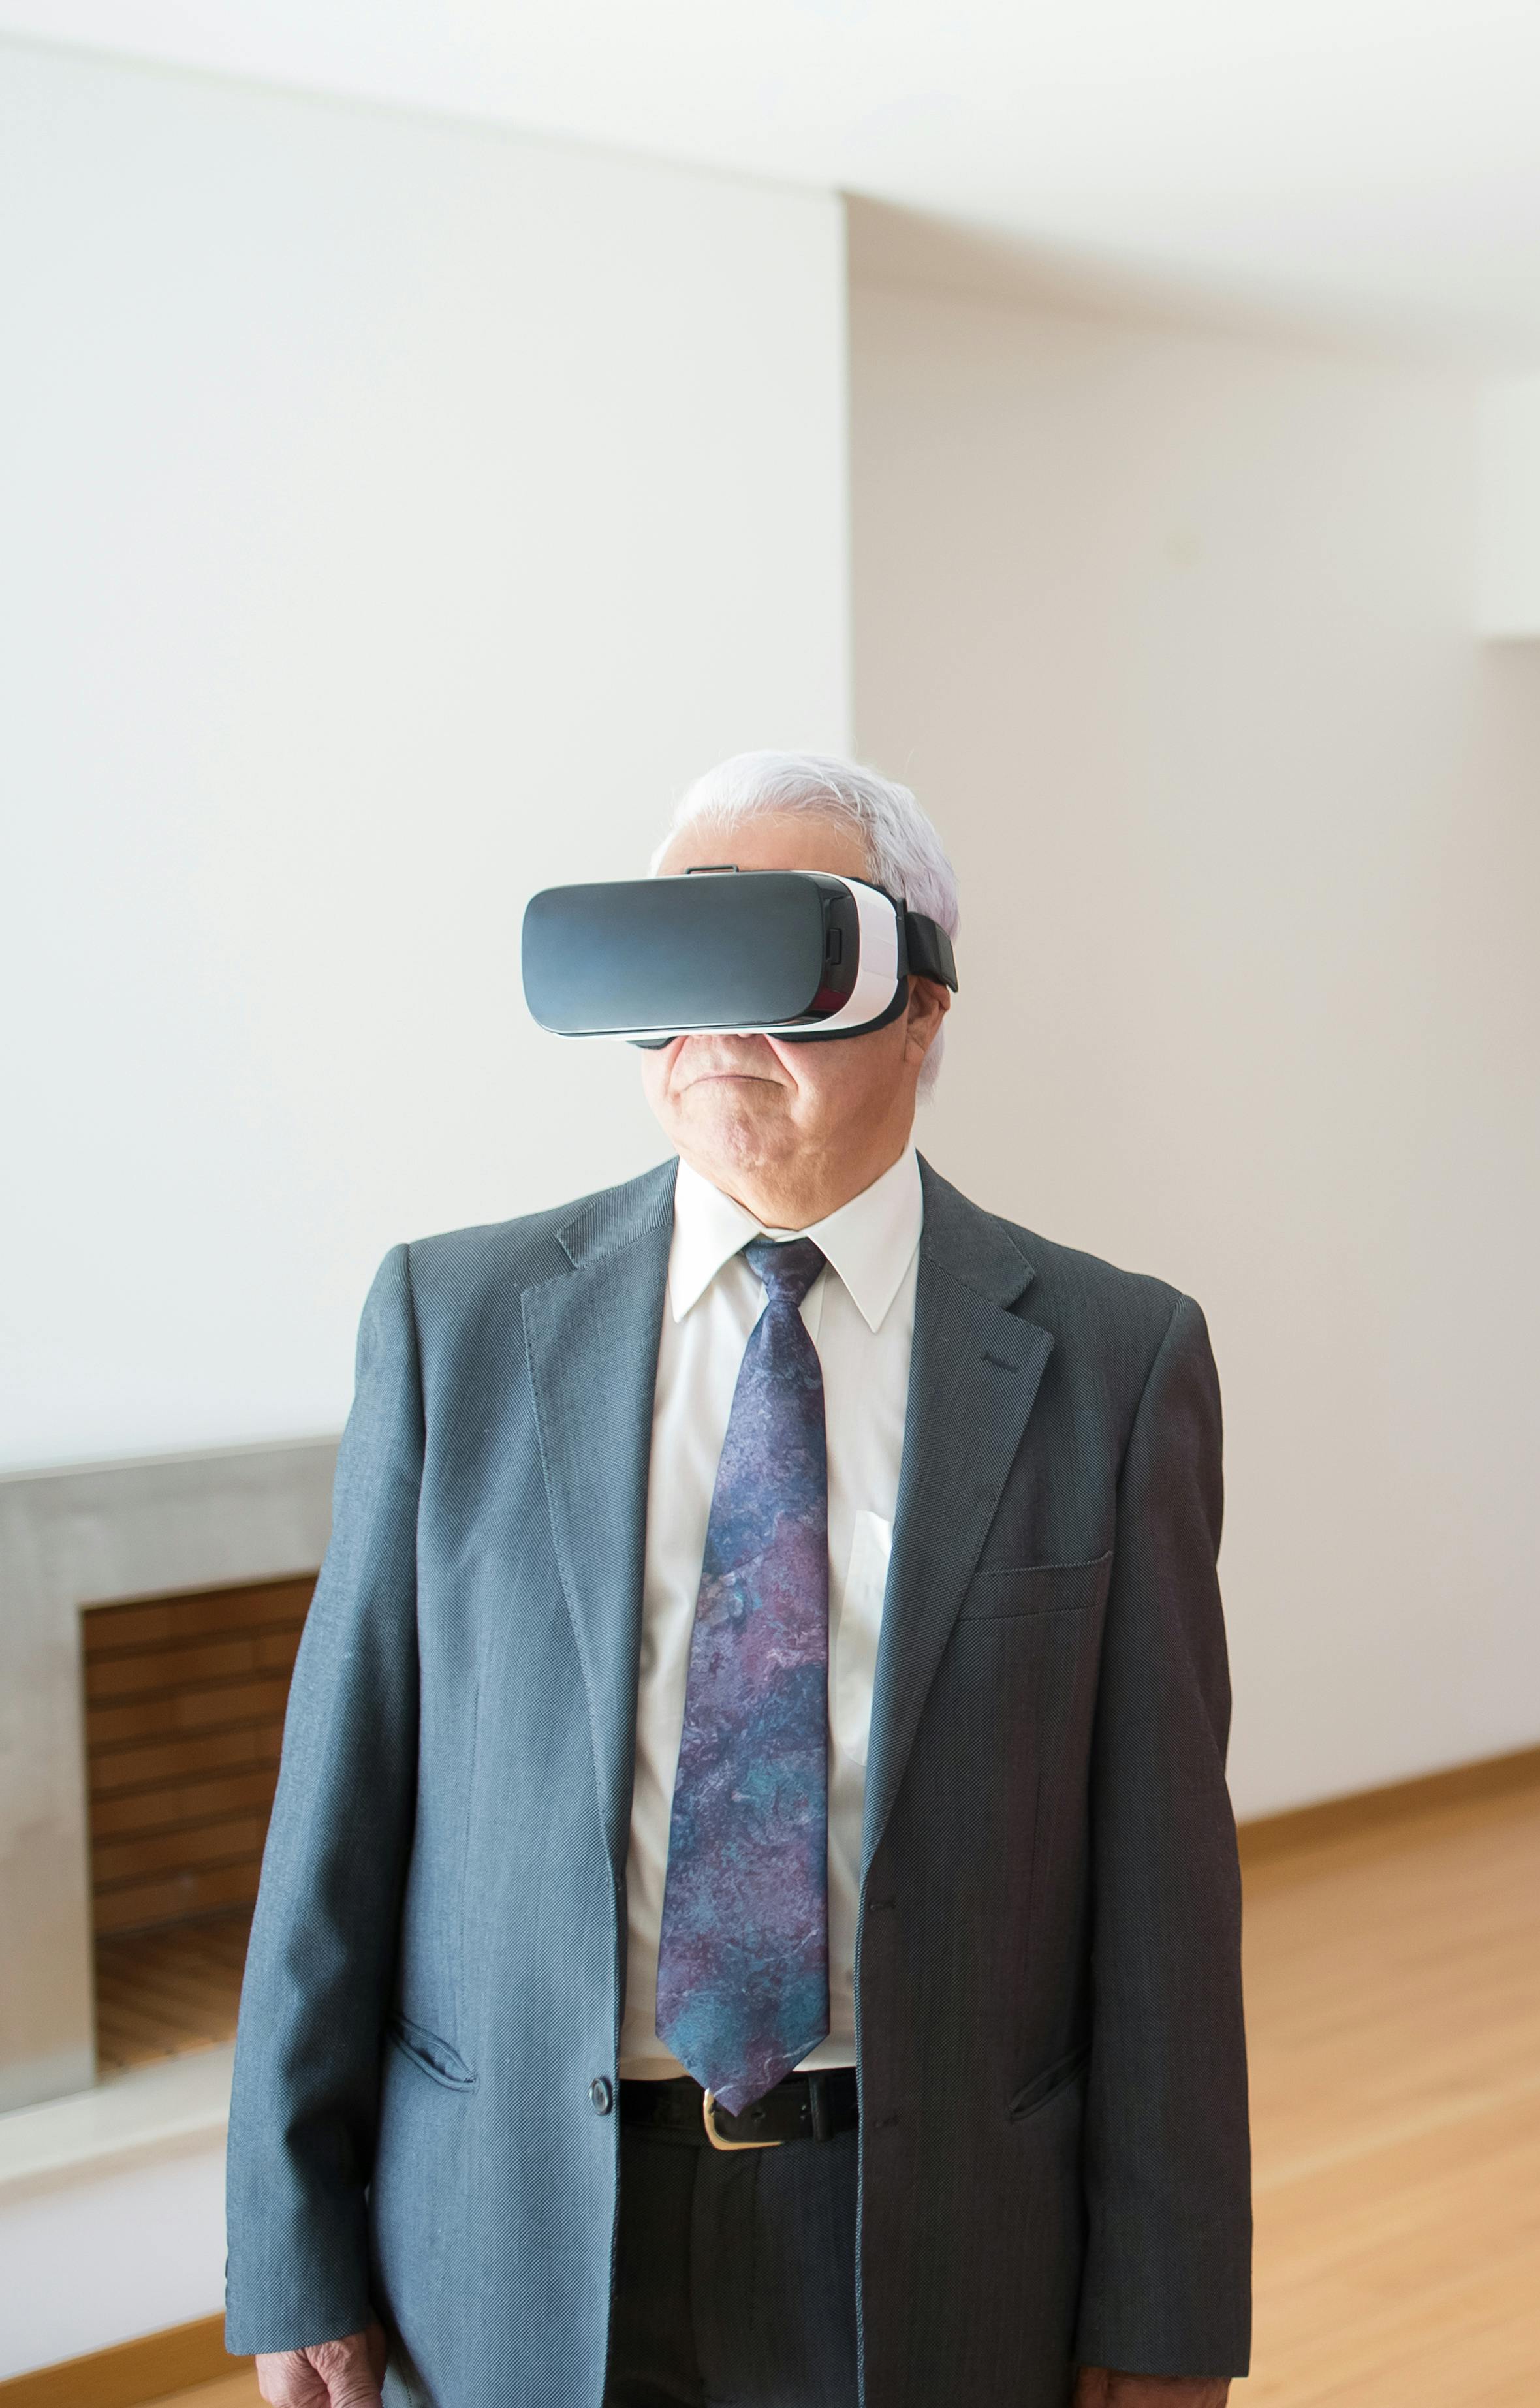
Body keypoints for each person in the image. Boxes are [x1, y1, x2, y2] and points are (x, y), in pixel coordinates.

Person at [226, 755, 1251, 2408]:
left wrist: (1169, 2310)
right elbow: (335, 1816)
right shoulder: (456, 1328)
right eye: (672, 956)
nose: (713, 1019)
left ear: (921, 1008)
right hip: (510, 2222)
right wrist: (291, 2241)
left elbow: (1165, 1889)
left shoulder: (1112, 1365)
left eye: (774, 957)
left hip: (922, 2229)